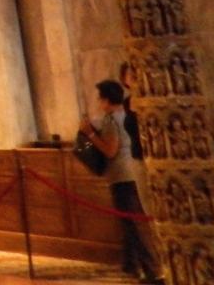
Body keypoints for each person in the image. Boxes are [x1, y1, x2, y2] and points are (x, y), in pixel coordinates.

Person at [80, 80, 162, 284]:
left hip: (121, 175)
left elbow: (110, 150)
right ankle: (130, 264)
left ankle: (151, 270)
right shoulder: (127, 114)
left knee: (132, 223)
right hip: (132, 171)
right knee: (130, 221)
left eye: (100, 99)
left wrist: (90, 134)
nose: (99, 103)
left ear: (106, 100)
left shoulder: (111, 120)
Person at [118, 62, 144, 161]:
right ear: (124, 79)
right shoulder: (126, 102)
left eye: (135, 72)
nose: (133, 75)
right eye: (129, 73)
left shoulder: (146, 99)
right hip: (137, 153)